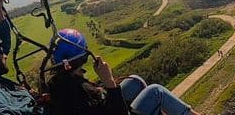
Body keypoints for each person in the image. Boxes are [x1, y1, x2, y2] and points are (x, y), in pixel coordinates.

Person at [48, 28, 200, 115]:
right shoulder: (81, 90)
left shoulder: (56, 84)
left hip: (101, 108)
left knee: (135, 81)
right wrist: (109, 81)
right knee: (156, 91)